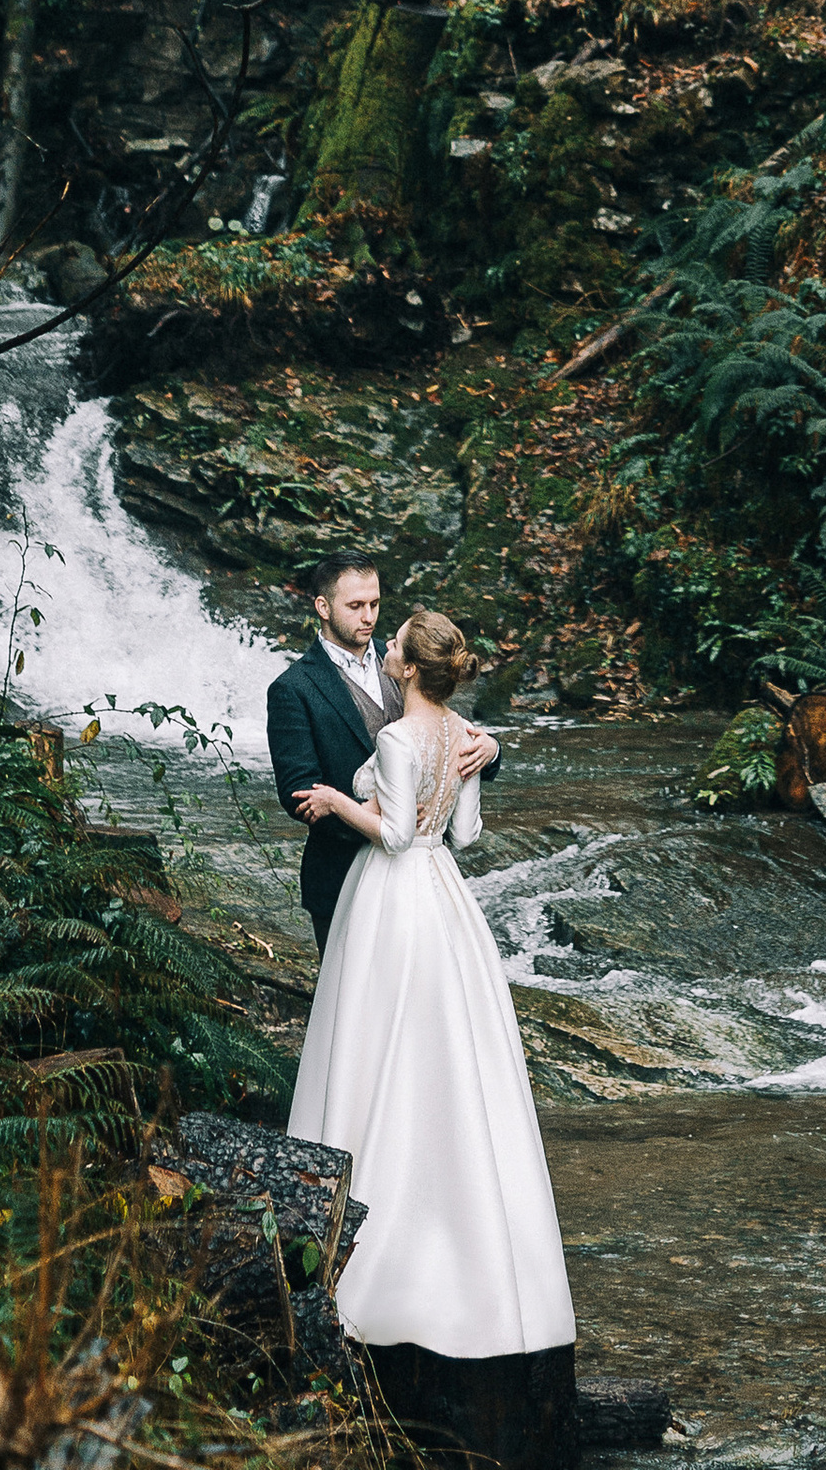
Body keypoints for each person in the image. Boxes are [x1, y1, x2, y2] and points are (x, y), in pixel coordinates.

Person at [286, 604, 576, 1395]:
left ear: (407, 668)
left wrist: (339, 804)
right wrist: (470, 771)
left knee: (374, 1042)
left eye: (395, 642)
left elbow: (394, 837)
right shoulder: (463, 735)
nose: (382, 643)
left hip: (391, 898)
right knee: (450, 1052)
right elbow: (465, 836)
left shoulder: (395, 736)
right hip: (447, 901)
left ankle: (369, 1245)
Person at [265, 550, 500, 954]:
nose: (369, 616)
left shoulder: (407, 660)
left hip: (418, 882)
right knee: (352, 1005)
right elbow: (299, 794)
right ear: (323, 607)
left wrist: (492, 751)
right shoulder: (293, 688)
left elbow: (450, 738)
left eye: (374, 603)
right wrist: (386, 811)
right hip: (340, 875)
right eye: (355, 606)